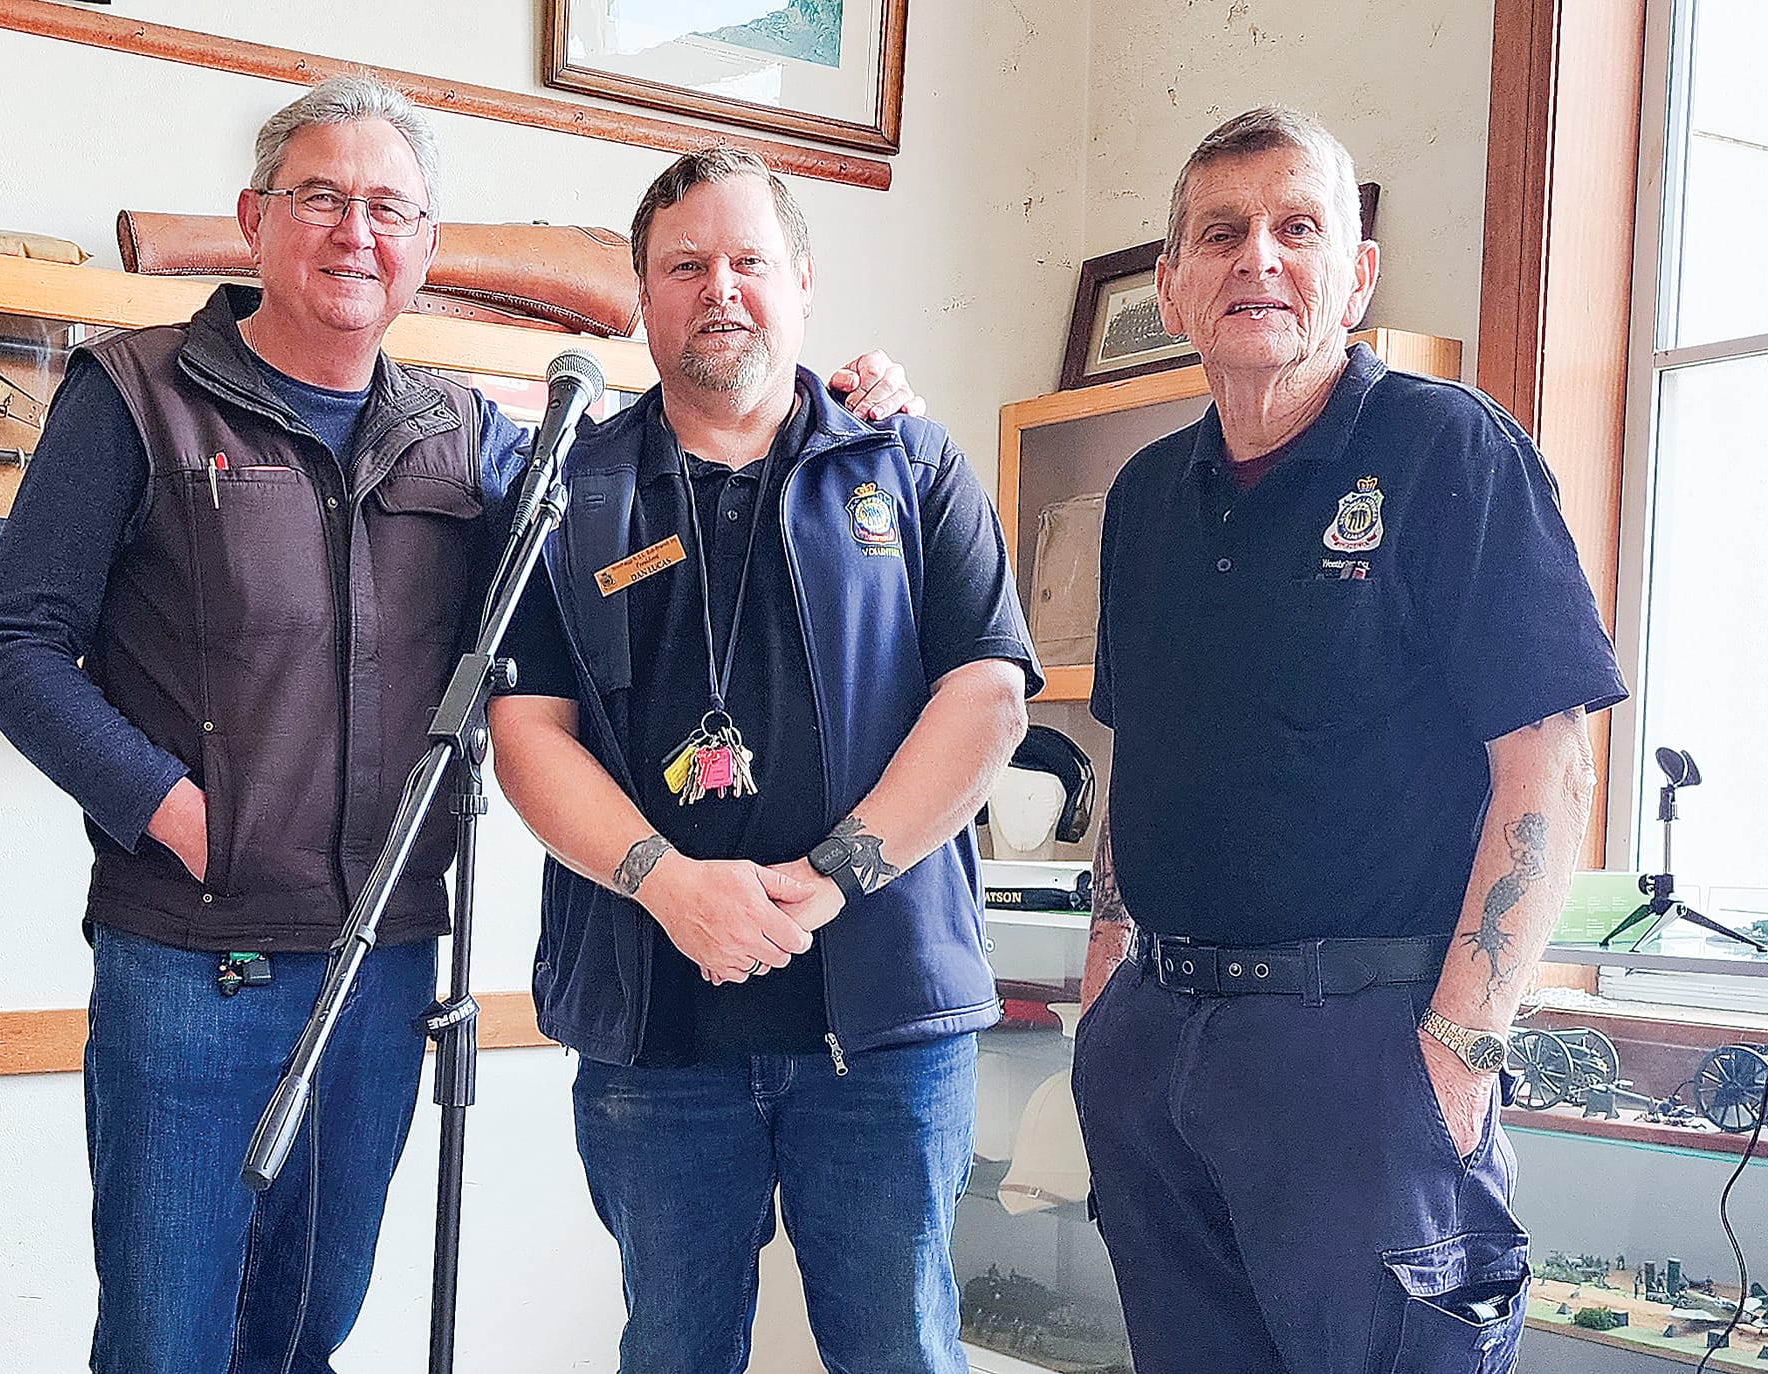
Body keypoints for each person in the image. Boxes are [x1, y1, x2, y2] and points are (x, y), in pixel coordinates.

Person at [0, 77, 916, 1374]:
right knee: (165, 1340)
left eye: (391, 209)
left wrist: (835, 407)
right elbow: (9, 644)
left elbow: (650, 499)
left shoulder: (463, 433)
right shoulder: (138, 395)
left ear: (423, 247)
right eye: (322, 199)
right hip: (193, 964)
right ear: (254, 219)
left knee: (311, 1330)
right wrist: (178, 812)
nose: (358, 232)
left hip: (386, 960)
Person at [1069, 106, 1627, 1374]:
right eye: (1219, 233)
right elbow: (1134, 753)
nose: (1255, 258)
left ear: (1356, 274)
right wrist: (1107, 993)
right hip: (1160, 1048)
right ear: (1170, 284)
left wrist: (1459, 1055)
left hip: (1365, 1053)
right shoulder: (1147, 495)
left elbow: (1548, 761)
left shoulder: (1447, 451)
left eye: (1295, 227)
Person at [487, 146, 1040, 1374]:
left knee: (898, 1349)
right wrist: (665, 882)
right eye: (684, 265)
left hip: (885, 1030)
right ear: (641, 298)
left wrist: (839, 872)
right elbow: (527, 733)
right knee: (671, 1350)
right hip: (654, 1031)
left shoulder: (909, 463)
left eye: (748, 260)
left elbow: (988, 697)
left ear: (801, 279)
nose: (718, 288)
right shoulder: (565, 491)